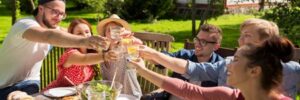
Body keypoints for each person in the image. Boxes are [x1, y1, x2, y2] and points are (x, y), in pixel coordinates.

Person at [138, 18, 300, 99]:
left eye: (247, 36)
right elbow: (188, 88)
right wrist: (146, 59)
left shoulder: (293, 70)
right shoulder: (231, 95)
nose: (228, 65)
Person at [0, 0, 109, 99]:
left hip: (31, 84)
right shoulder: (24, 24)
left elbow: (73, 31)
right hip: (5, 87)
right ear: (41, 8)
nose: (59, 17)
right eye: (55, 11)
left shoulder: (52, 27)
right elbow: (48, 36)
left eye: (62, 14)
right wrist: (86, 41)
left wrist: (112, 39)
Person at [143, 24, 224, 100]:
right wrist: (142, 51)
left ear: (216, 46)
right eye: (197, 39)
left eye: (203, 42)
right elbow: (161, 60)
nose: (197, 44)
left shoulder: (219, 67)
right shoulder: (184, 55)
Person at [42, 18, 118, 91]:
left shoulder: (92, 53)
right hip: (54, 95)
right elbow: (84, 59)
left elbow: (111, 47)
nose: (85, 35)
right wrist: (104, 56)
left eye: (87, 32)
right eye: (79, 33)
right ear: (72, 37)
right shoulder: (71, 54)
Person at [97, 14, 143, 98]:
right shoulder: (102, 52)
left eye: (116, 30)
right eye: (109, 30)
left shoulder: (126, 48)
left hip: (130, 95)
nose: (112, 33)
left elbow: (139, 45)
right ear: (104, 34)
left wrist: (131, 38)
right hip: (111, 96)